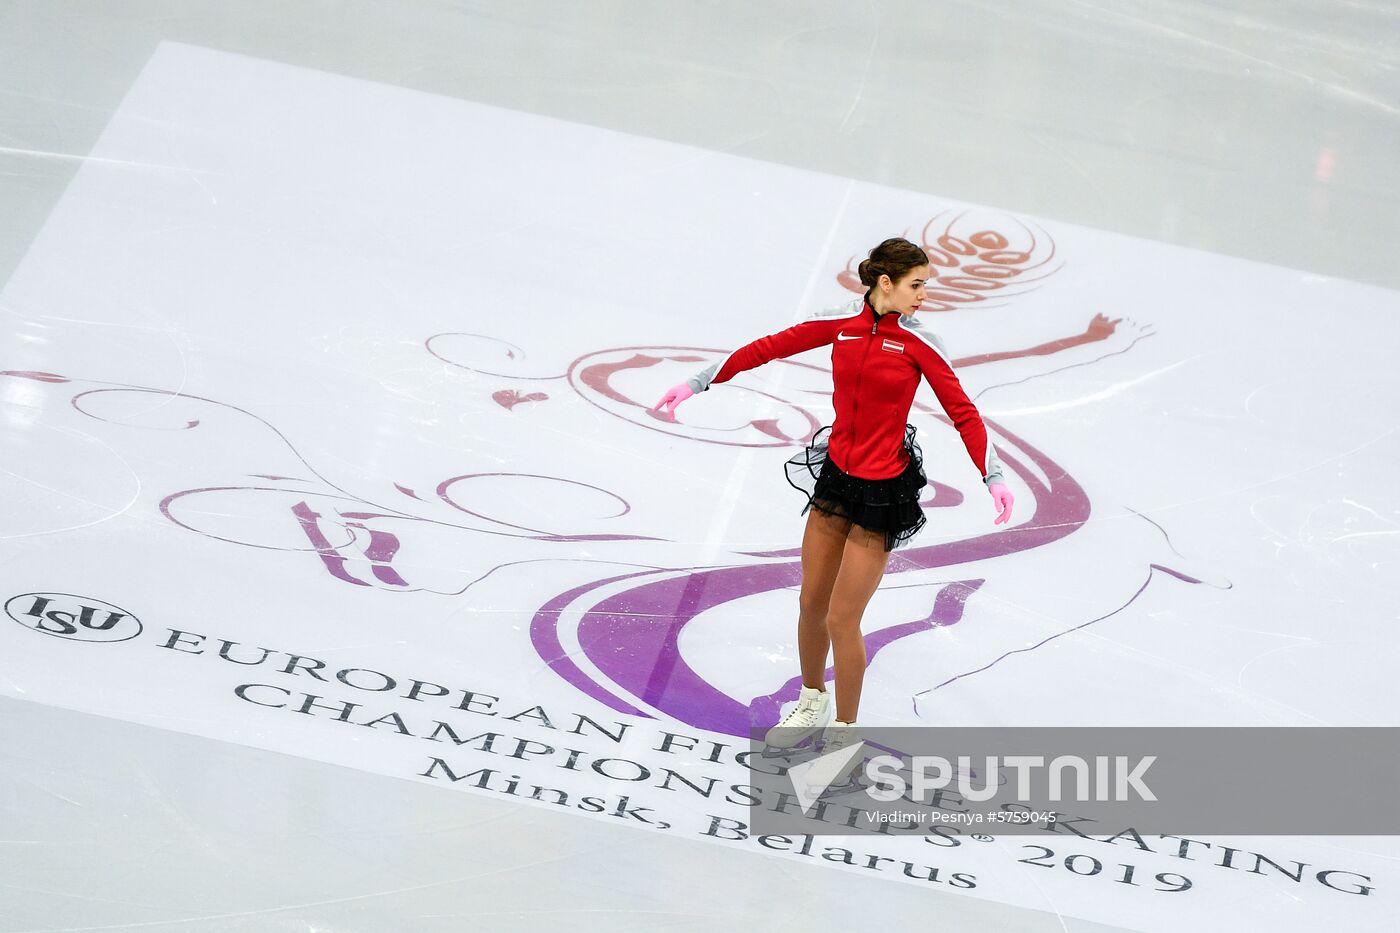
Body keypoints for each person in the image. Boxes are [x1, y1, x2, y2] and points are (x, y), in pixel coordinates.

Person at [651, 237, 1014, 766]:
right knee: (810, 605)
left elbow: (963, 412)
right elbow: (767, 348)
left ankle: (844, 733)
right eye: (917, 285)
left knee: (843, 620)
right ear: (884, 283)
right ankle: (810, 700)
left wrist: (993, 475)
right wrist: (700, 381)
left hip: (882, 494)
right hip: (836, 481)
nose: (924, 296)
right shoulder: (839, 324)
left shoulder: (920, 343)